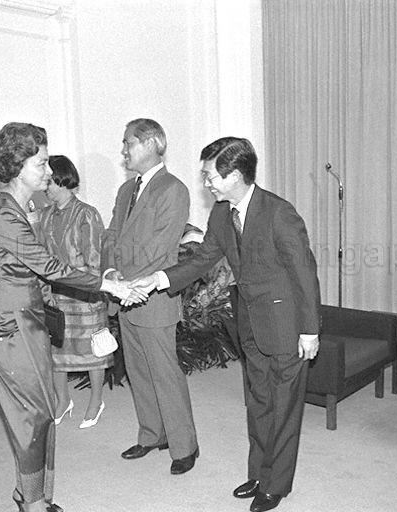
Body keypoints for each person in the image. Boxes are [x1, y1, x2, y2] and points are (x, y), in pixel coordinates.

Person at [131, 137, 321, 512]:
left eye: (210, 176)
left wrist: (310, 331)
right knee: (259, 403)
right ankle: (259, 473)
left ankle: (277, 485)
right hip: (250, 323)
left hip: (287, 325)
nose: (206, 183)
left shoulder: (279, 213)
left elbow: (304, 274)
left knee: (283, 409)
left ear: (234, 175)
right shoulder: (222, 214)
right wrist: (159, 279)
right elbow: (202, 259)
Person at [0, 122, 144, 512]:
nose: (49, 172)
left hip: (24, 313)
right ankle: (32, 502)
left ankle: (33, 493)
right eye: (41, 163)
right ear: (16, 166)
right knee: (31, 411)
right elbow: (48, 266)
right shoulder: (3, 213)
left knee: (43, 407)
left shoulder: (20, 208)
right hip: (5, 320)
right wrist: (108, 285)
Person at [101, 118, 199, 475]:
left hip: (152, 297)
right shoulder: (126, 189)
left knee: (164, 373)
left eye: (128, 142)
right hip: (125, 293)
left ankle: (185, 445)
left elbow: (161, 249)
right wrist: (111, 274)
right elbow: (112, 235)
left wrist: (132, 284)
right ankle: (152, 434)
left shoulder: (174, 189)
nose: (124, 150)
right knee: (139, 371)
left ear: (152, 143)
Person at [36, 155, 112, 428]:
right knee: (56, 350)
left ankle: (96, 400)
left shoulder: (86, 213)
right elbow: (41, 257)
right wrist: (45, 292)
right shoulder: (44, 215)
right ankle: (63, 400)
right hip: (55, 294)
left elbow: (94, 258)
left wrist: (93, 293)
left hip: (84, 293)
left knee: (92, 351)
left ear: (62, 180)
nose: (44, 186)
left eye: (49, 181)